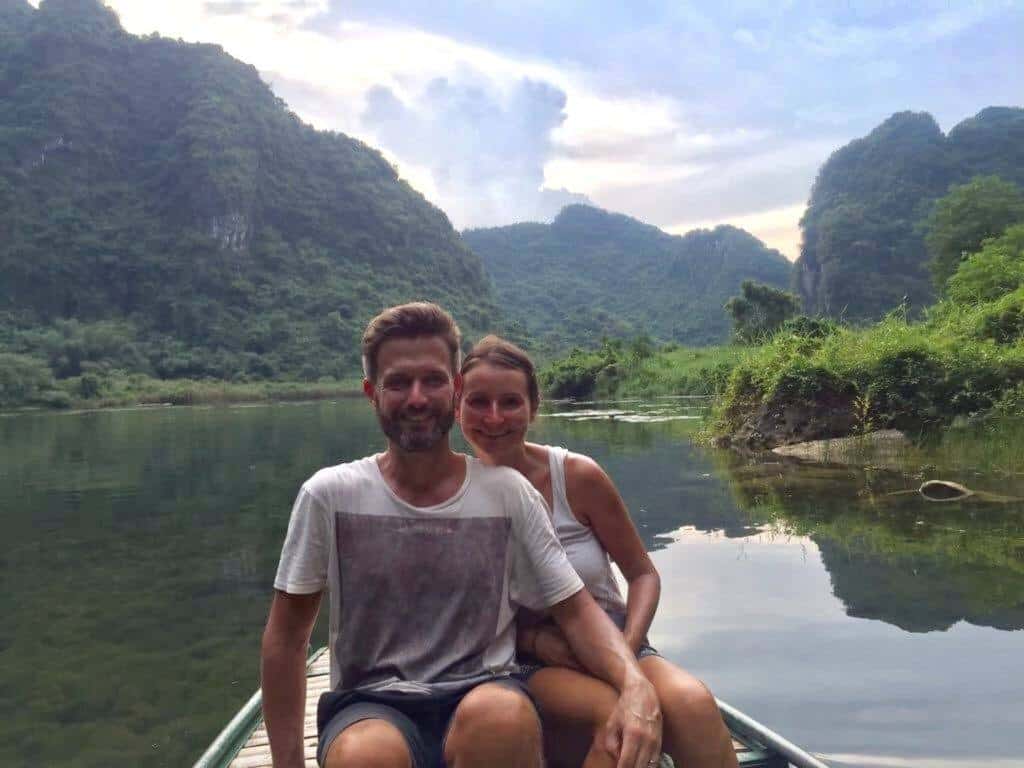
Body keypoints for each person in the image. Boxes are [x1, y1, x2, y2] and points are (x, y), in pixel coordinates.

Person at [260, 302, 663, 768]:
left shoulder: (506, 493)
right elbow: (286, 640)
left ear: (454, 390)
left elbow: (575, 611)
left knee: (503, 718)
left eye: (432, 380)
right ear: (372, 392)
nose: (416, 398)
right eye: (398, 382)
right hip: (370, 703)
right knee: (365, 756)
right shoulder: (329, 495)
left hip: (484, 689)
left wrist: (634, 683)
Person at [457, 335, 739, 768]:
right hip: (525, 657)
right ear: (458, 405)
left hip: (616, 638)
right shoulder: (453, 495)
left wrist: (625, 649)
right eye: (478, 402)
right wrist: (535, 640)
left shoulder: (577, 477)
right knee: (613, 716)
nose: (494, 417)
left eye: (510, 402)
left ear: (534, 406)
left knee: (693, 703)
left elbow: (642, 574)